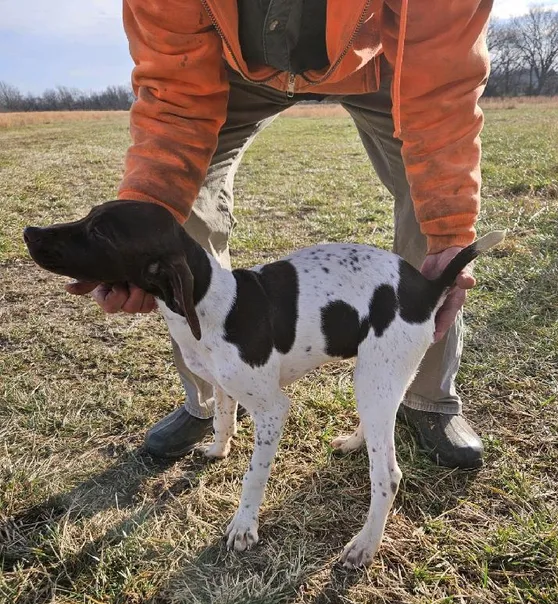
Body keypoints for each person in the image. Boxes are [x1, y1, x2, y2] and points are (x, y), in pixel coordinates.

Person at [67, 0, 493, 468]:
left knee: (426, 201)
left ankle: (426, 397)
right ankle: (210, 394)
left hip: (382, 59)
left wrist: (449, 228)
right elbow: (174, 93)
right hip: (227, 65)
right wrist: (141, 234)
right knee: (175, 212)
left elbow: (442, 75)